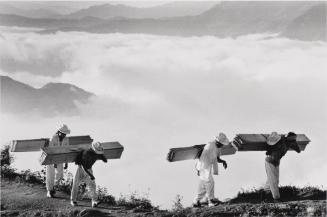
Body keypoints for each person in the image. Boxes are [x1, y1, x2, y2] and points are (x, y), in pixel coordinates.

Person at [193, 133, 229, 207]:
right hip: (203, 166)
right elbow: (201, 156)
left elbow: (217, 158)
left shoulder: (218, 147)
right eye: (221, 144)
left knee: (203, 186)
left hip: (207, 166)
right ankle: (211, 201)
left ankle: (196, 201)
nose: (222, 146)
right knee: (210, 182)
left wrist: (223, 161)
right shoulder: (209, 145)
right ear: (217, 142)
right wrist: (198, 169)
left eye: (223, 144)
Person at [264, 131, 301, 202]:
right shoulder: (279, 140)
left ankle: (266, 194)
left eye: (292, 140)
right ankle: (276, 198)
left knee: (273, 179)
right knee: (273, 181)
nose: (291, 141)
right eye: (290, 139)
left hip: (276, 162)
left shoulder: (290, 142)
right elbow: (270, 142)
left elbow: (298, 150)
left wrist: (294, 143)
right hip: (270, 161)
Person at [70, 142, 107, 207]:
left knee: (92, 185)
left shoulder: (97, 153)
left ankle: (94, 201)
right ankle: (73, 200)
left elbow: (105, 160)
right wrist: (91, 175)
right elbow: (84, 167)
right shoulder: (86, 153)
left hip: (89, 169)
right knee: (75, 184)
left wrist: (103, 157)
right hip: (80, 169)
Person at [46, 124, 70, 198]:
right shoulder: (53, 138)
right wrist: (54, 162)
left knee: (60, 175)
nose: (64, 135)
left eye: (65, 134)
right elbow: (51, 150)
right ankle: (49, 191)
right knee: (50, 174)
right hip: (51, 158)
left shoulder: (66, 139)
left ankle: (54, 187)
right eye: (62, 133)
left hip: (61, 157)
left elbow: (66, 150)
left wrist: (66, 162)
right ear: (58, 132)